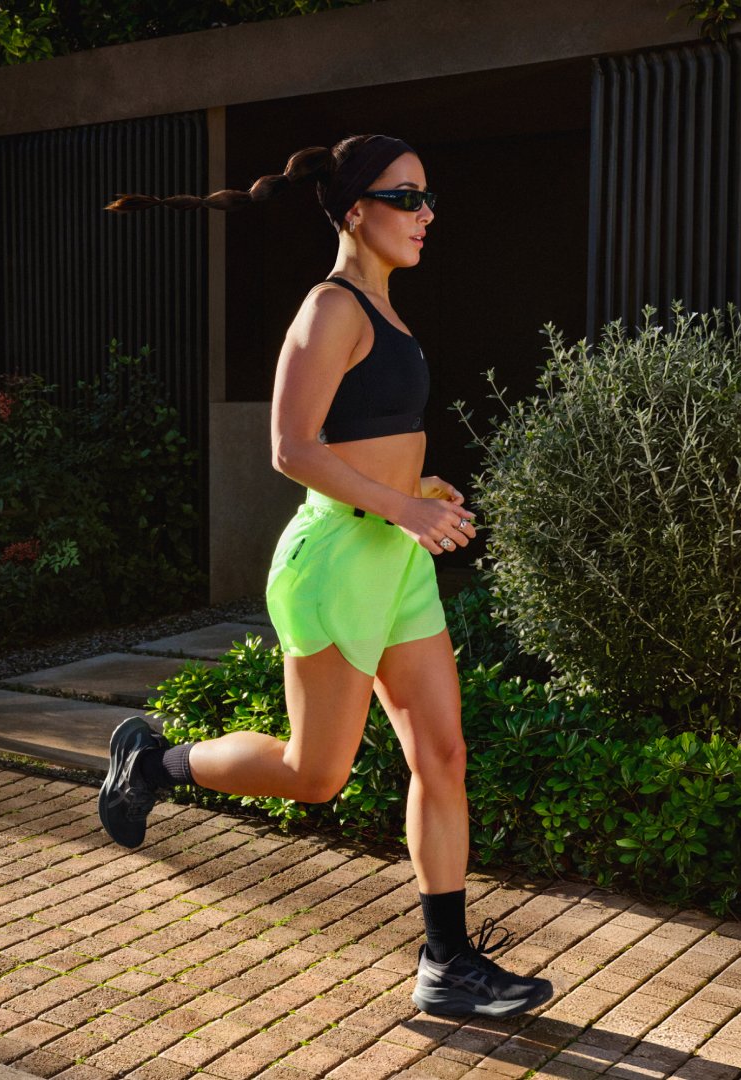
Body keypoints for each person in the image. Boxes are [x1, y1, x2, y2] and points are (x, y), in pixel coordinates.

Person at [95, 136, 553, 1019]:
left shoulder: (386, 306)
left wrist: (416, 491)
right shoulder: (331, 308)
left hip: (395, 560)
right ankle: (153, 761)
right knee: (316, 776)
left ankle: (447, 963)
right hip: (339, 561)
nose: (427, 213)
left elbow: (359, 440)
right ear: (354, 211)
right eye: (407, 197)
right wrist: (403, 508)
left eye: (428, 197)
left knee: (443, 757)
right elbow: (291, 448)